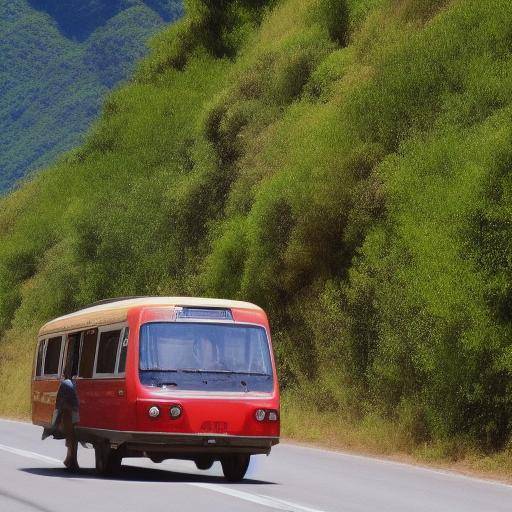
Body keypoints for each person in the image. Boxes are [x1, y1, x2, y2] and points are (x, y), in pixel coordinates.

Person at [41, 370, 80, 470]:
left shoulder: (66, 384)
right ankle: (71, 458)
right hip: (75, 410)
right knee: (72, 434)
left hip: (70, 410)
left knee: (71, 433)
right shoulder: (73, 383)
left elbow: (59, 404)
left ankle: (70, 458)